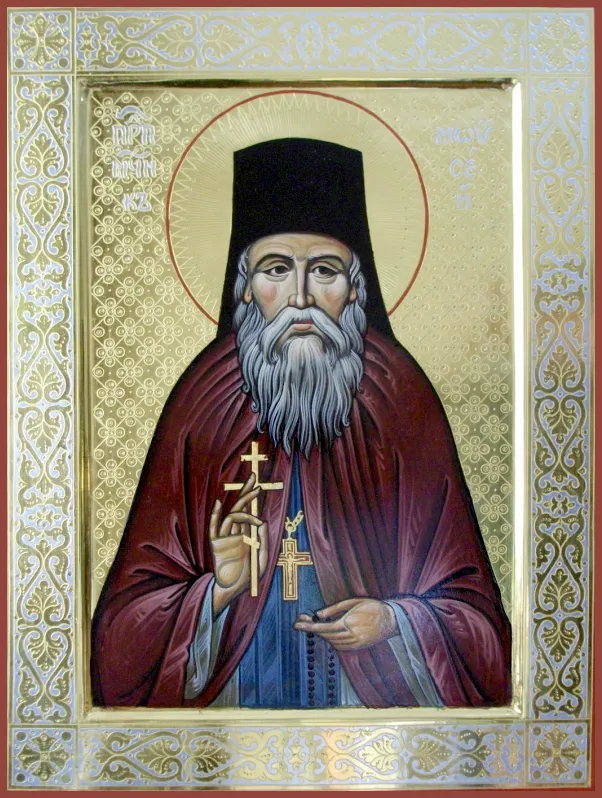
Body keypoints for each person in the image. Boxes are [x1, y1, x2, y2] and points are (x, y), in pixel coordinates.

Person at [91, 138, 512, 709]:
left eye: (325, 271)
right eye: (276, 269)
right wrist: (216, 593)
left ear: (356, 287)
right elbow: (122, 634)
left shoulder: (400, 397)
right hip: (232, 711)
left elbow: (477, 621)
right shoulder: (202, 399)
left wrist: (395, 621)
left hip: (371, 718)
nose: (301, 297)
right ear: (245, 287)